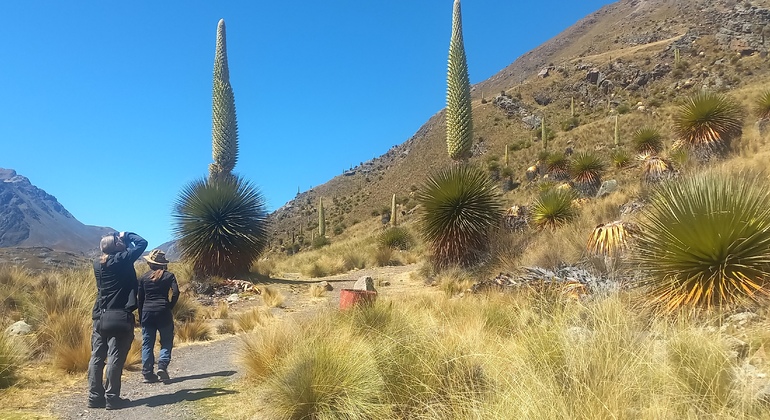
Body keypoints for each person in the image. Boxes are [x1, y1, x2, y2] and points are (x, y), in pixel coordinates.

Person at [87, 231, 147, 410]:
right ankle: (112, 398)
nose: (122, 241)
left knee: (97, 356)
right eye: (119, 241)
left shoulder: (97, 263)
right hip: (119, 316)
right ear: (116, 246)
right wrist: (126, 234)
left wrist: (118, 241)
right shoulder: (122, 260)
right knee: (115, 357)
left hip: (100, 315)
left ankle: (94, 396)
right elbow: (142, 243)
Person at [137, 249, 179, 384]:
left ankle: (147, 373)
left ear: (150, 264)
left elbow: (140, 299)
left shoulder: (143, 278)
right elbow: (176, 292)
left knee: (147, 343)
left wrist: (141, 314)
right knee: (166, 340)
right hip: (163, 312)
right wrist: (170, 306)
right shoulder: (169, 276)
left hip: (147, 313)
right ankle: (162, 366)